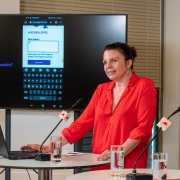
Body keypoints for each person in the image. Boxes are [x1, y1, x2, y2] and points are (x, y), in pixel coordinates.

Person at [20, 42, 157, 170]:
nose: (107, 66)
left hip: (128, 164)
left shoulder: (144, 86)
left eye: (113, 60)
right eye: (104, 62)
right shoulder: (101, 89)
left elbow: (142, 128)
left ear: (128, 63)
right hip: (99, 161)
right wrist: (49, 147)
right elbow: (82, 124)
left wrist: (117, 152)